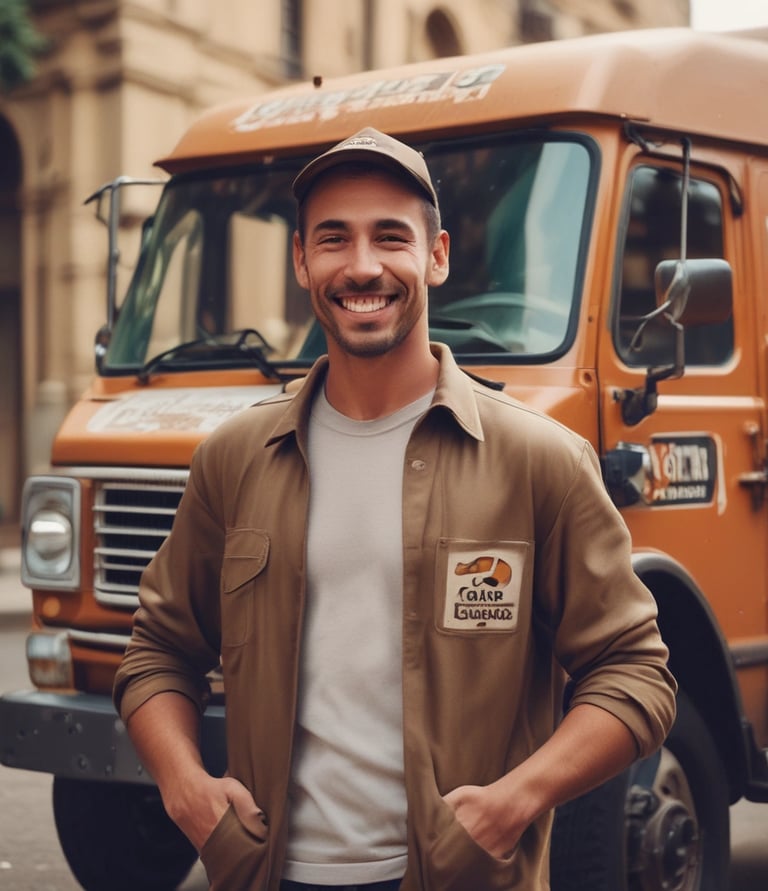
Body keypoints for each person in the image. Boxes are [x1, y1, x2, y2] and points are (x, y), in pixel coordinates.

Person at [113, 127, 676, 891]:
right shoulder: (235, 458)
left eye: (390, 237)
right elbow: (157, 651)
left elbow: (635, 675)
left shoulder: (538, 459)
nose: (363, 266)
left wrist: (514, 803)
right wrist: (187, 790)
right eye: (334, 238)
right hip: (269, 873)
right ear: (302, 261)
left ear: (436, 255)